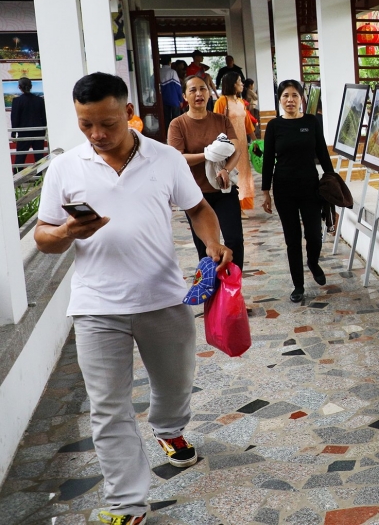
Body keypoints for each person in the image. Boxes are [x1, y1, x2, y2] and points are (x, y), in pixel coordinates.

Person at [34, 73, 231, 525]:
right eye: (86, 125)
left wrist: (212, 244)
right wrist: (66, 232)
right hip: (96, 306)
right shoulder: (65, 168)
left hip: (163, 297)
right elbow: (44, 236)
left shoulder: (165, 159)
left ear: (128, 113)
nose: (97, 135)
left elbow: (197, 207)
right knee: (108, 407)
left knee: (176, 384)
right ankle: (128, 505)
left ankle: (168, 429)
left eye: (106, 123)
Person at [262, 79, 332, 302]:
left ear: (301, 98)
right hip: (284, 189)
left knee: (314, 234)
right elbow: (267, 161)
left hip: (310, 188)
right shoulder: (274, 126)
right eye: (285, 96)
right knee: (292, 239)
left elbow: (322, 152)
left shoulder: (312, 122)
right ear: (280, 99)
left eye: (294, 95)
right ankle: (298, 286)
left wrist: (332, 180)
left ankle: (313, 261)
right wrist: (265, 191)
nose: (290, 100)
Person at [168, 75, 245, 271]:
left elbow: (236, 148)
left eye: (202, 89)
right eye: (192, 90)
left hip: (224, 191)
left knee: (234, 240)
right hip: (195, 195)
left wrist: (226, 170)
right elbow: (177, 158)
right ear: (185, 95)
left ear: (209, 93)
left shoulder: (221, 120)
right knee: (205, 248)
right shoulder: (178, 124)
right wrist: (208, 154)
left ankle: (232, 288)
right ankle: (212, 293)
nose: (198, 94)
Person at [213, 73, 255, 211]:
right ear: (232, 84)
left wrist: (255, 141)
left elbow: (247, 124)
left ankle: (241, 204)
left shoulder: (240, 102)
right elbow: (216, 123)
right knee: (232, 172)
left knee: (243, 172)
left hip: (242, 143)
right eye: (239, 82)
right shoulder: (222, 102)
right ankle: (234, 206)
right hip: (229, 144)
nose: (242, 84)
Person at [10, 76, 46, 168]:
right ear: (31, 86)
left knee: (20, 157)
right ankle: (39, 178)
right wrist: (44, 131)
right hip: (38, 132)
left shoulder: (17, 101)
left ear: (19, 87)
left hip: (24, 133)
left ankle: (17, 179)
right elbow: (44, 117)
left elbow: (15, 118)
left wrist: (14, 134)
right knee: (39, 157)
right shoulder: (40, 100)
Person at [159, 57, 184, 134]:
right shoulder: (172, 72)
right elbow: (177, 86)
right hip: (173, 99)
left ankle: (167, 133)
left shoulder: (158, 71)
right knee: (176, 117)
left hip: (162, 99)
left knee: (166, 117)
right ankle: (176, 133)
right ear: (170, 62)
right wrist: (181, 99)